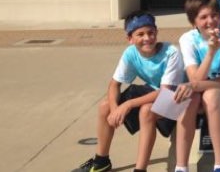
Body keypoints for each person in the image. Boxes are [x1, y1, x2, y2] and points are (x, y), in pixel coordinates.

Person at [74, 12, 184, 172]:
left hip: (177, 96)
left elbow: (165, 91)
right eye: (140, 34)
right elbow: (114, 84)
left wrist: (127, 105)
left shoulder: (171, 52)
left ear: (156, 33)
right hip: (154, 90)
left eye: (150, 32)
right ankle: (101, 161)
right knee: (105, 106)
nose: (147, 38)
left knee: (146, 111)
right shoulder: (130, 53)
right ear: (130, 39)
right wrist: (114, 110)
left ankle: (140, 169)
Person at [173, 0, 220, 172]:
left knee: (211, 95)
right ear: (194, 22)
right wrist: (210, 52)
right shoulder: (188, 39)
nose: (211, 21)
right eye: (203, 17)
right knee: (188, 98)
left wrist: (194, 85)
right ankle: (181, 167)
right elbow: (194, 78)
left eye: (214, 15)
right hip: (198, 93)